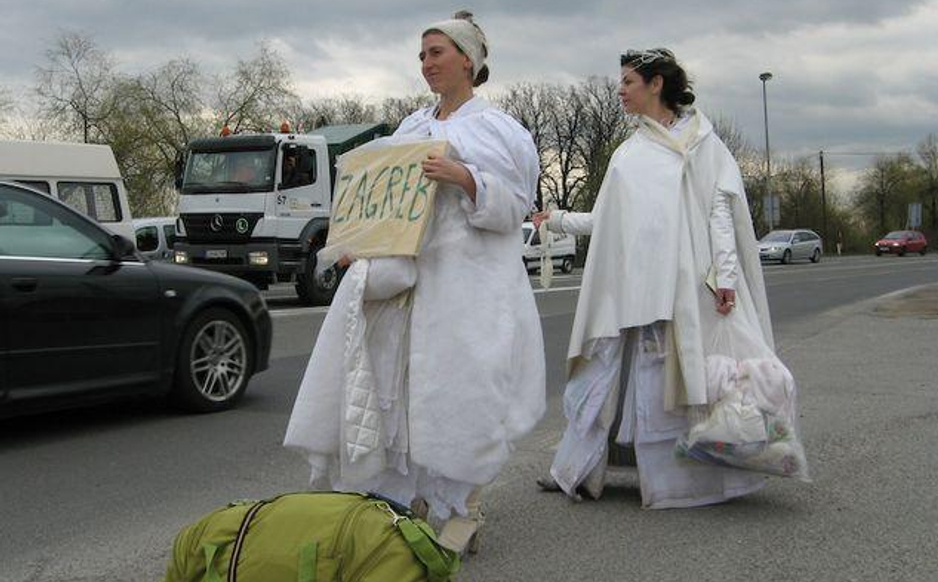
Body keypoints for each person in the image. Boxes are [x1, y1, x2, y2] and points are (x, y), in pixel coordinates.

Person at [284, 11, 545, 553]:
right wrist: (351, 246)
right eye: (422, 55)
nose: (426, 64)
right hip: (404, 282)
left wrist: (467, 178)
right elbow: (379, 202)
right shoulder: (409, 128)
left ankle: (462, 505)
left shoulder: (500, 130)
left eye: (437, 53)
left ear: (468, 60)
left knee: (459, 392)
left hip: (469, 281)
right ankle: (408, 498)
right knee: (398, 390)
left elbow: (517, 203)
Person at [535, 48, 782, 509]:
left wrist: (725, 276)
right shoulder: (628, 153)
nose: (620, 90)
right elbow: (608, 220)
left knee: (673, 381)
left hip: (685, 287)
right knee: (602, 370)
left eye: (628, 81)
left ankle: (686, 482)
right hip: (631, 287)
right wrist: (559, 219)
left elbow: (720, 211)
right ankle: (574, 470)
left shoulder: (704, 143)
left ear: (656, 84)